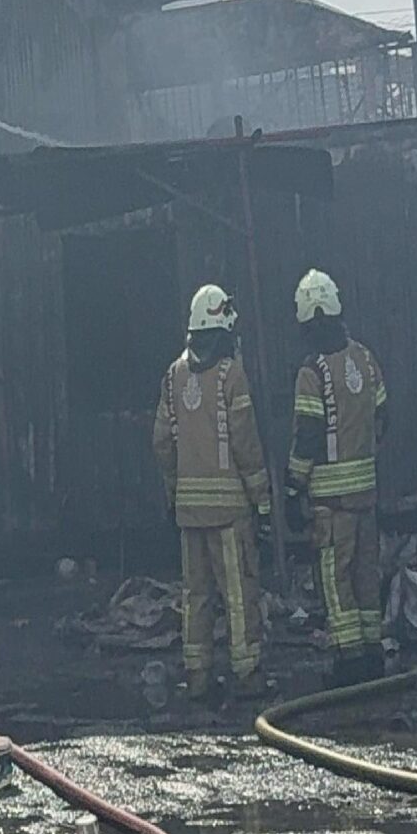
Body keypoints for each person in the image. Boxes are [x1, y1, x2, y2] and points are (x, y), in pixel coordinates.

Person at [154, 284, 273, 703]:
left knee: (196, 595)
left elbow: (162, 442)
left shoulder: (173, 376)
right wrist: (262, 498)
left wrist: (174, 491)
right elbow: (245, 441)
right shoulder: (231, 374)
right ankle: (247, 675)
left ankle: (198, 676)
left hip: (189, 512)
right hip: (229, 511)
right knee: (239, 594)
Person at [288, 269, 389, 684]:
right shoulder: (365, 359)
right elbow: (383, 418)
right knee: (367, 575)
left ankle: (349, 661)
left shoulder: (312, 373)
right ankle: (372, 651)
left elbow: (308, 436)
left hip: (331, 502)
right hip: (366, 494)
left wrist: (294, 485)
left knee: (335, 578)